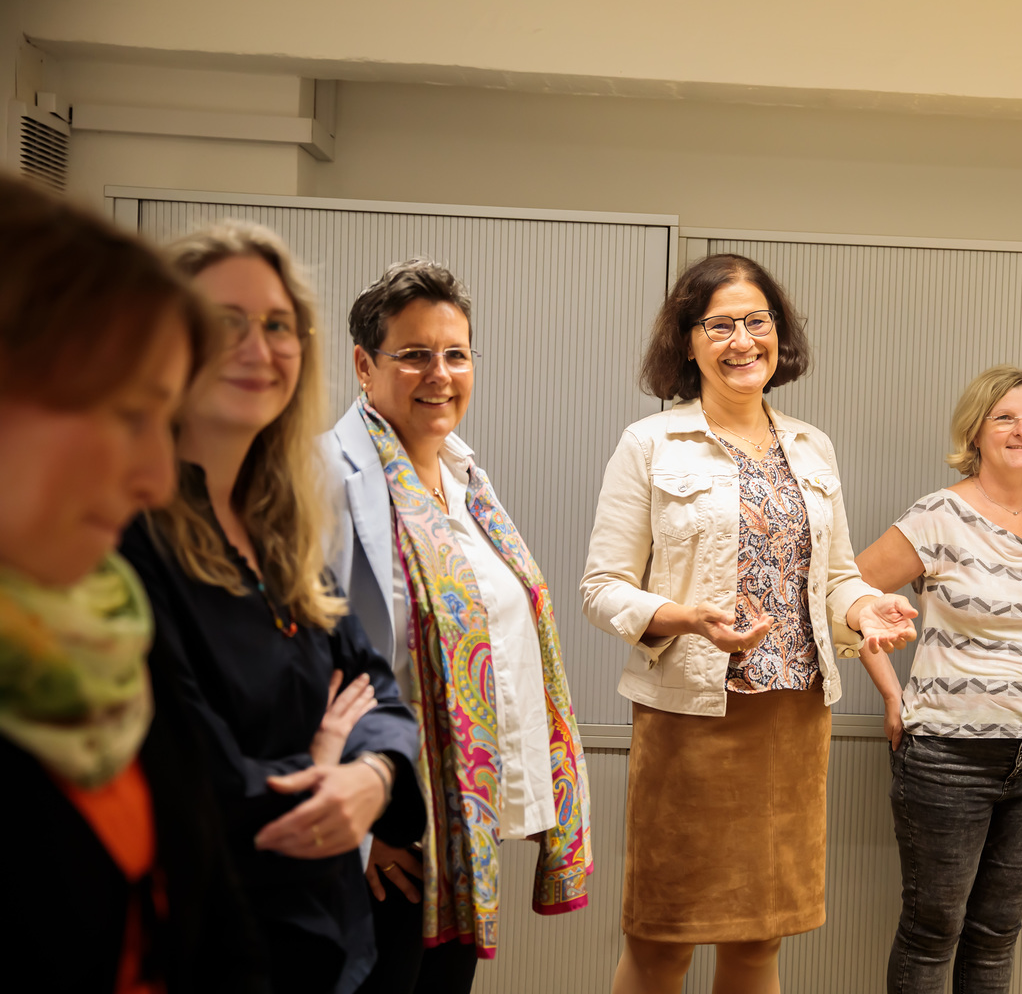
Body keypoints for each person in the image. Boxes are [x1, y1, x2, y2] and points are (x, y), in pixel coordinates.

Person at [581, 252, 918, 994]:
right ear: (688, 340)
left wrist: (864, 607)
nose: (743, 341)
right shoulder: (650, 444)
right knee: (662, 941)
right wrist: (683, 617)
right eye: (720, 325)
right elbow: (601, 589)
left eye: (756, 322)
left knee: (760, 940)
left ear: (779, 332)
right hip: (689, 722)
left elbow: (835, 576)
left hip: (792, 719)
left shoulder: (812, 445)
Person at [118, 221, 425, 994]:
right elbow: (195, 775)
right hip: (205, 943)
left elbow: (379, 694)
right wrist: (322, 767)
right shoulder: (127, 532)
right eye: (225, 323)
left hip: (324, 941)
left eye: (279, 325)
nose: (260, 348)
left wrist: (371, 775)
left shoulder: (277, 530)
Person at [0, 177, 268, 992]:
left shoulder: (105, 627)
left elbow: (210, 922)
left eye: (166, 421)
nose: (155, 479)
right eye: (127, 414)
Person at [324, 259, 592, 994]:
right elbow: (293, 665)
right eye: (414, 354)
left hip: (460, 823)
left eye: (456, 354)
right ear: (364, 365)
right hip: (382, 825)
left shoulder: (466, 480)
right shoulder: (325, 480)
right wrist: (359, 831)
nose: (439, 374)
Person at [854, 364, 1022, 994]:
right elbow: (847, 591)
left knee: (997, 934)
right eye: (1004, 417)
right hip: (946, 757)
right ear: (976, 431)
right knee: (932, 933)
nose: (1021, 430)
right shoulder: (939, 514)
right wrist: (892, 692)